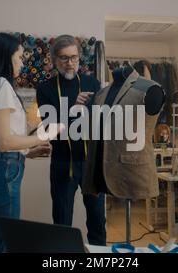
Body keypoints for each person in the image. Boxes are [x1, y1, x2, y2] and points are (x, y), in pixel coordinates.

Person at [0, 32, 63, 253]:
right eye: (19, 57)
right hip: (1, 174)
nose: (22, 63)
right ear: (6, 56)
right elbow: (3, 141)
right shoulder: (0, 85)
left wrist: (25, 152)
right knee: (2, 246)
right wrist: (46, 135)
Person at [36, 35, 106, 246]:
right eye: (64, 58)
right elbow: (49, 129)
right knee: (62, 222)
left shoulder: (92, 83)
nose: (70, 63)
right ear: (54, 60)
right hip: (62, 163)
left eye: (74, 58)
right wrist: (73, 107)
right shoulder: (45, 89)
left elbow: (98, 123)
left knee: (96, 221)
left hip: (91, 164)